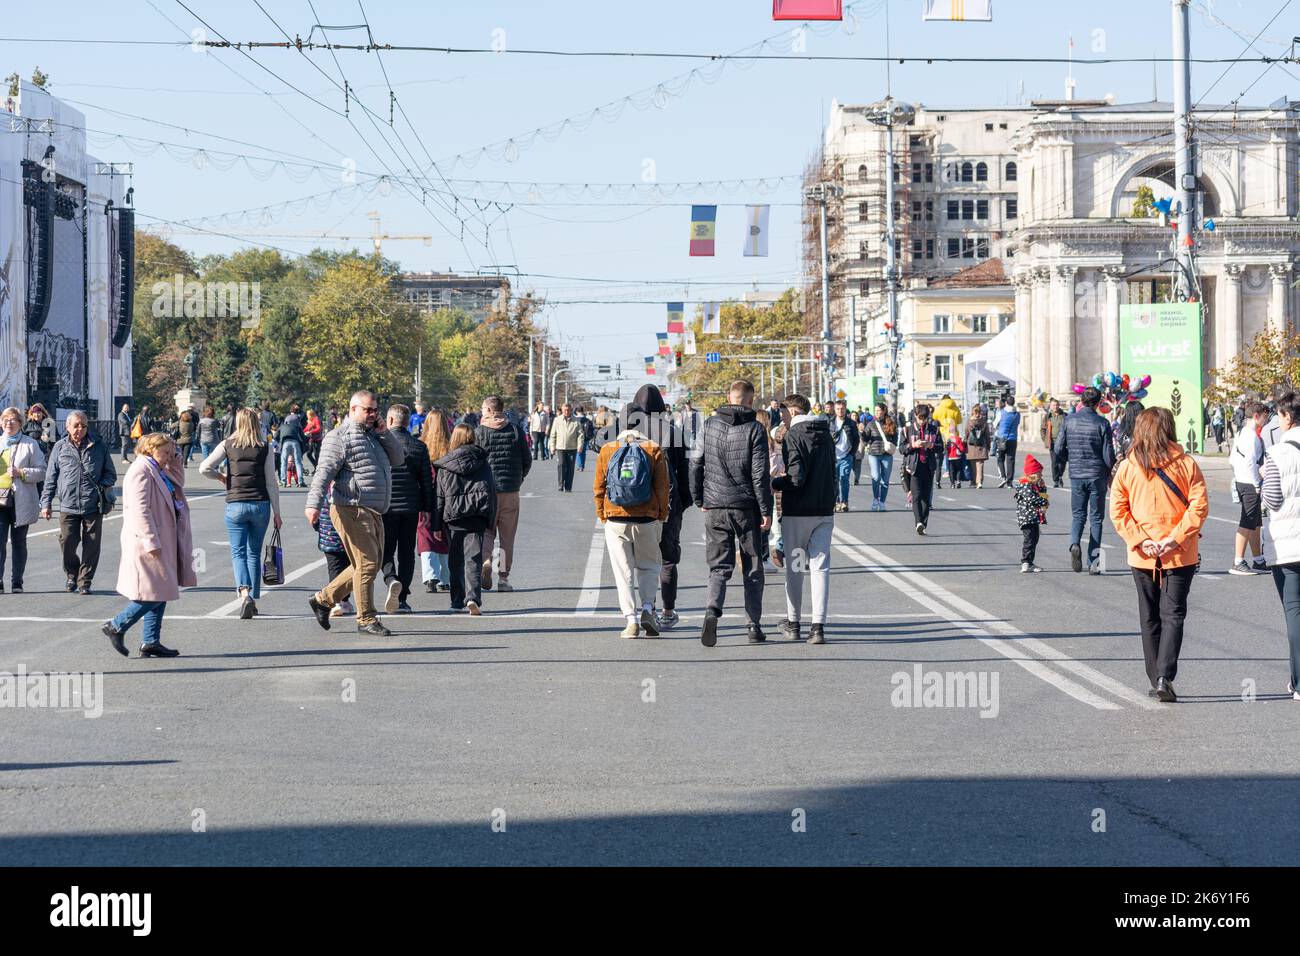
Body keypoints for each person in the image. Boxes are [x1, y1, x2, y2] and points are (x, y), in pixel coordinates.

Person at [1110, 407, 1208, 703]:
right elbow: (1199, 506)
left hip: (1142, 553)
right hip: (1180, 553)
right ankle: (1165, 676)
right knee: (1173, 614)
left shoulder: (1129, 466)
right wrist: (1174, 539)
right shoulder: (1186, 463)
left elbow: (1117, 509)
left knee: (1149, 616)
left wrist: (1141, 539)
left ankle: (1156, 678)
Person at [305, 390, 405, 637]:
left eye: (374, 410)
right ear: (353, 409)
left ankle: (323, 599)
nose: (372, 414)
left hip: (373, 509)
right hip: (350, 507)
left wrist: (385, 433)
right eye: (367, 410)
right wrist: (313, 504)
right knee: (368, 563)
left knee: (369, 564)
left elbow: (399, 458)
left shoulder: (374, 435)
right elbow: (323, 473)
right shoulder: (339, 437)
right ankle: (366, 618)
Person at [689, 379, 772, 648]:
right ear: (750, 400)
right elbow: (760, 475)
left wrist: (699, 497)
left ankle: (712, 610)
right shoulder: (755, 429)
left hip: (714, 506)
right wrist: (765, 509)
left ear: (728, 396)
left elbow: (695, 464)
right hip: (746, 507)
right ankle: (753, 626)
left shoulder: (708, 425)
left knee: (719, 566)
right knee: (752, 567)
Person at [101, 432, 195, 659]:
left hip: (163, 538)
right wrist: (150, 539)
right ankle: (117, 625)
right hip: (147, 540)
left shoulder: (157, 468)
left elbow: (178, 482)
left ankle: (150, 641)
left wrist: (175, 459)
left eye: (170, 453)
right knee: (154, 592)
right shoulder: (141, 470)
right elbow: (139, 509)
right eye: (164, 452)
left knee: (160, 588)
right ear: (150, 449)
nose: (167, 457)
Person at [593, 402, 670, 638]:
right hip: (647, 519)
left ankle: (630, 620)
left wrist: (602, 514)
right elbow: (662, 488)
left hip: (616, 518)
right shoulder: (653, 449)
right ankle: (648, 608)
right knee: (648, 567)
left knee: (622, 571)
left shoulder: (607, 450)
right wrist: (661, 516)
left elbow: (599, 487)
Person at [200, 407, 283, 620]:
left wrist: (220, 477)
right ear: (256, 423)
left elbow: (204, 467)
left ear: (237, 423)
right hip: (260, 504)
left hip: (235, 505)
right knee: (254, 553)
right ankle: (253, 599)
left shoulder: (227, 444)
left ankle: (244, 593)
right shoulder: (265, 446)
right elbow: (271, 482)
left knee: (238, 552)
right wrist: (277, 512)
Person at [772, 393, 835, 645]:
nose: (782, 419)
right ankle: (818, 627)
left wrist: (775, 482)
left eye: (784, 414)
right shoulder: (826, 433)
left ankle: (794, 622)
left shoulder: (794, 435)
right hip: (824, 511)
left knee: (796, 568)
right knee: (821, 568)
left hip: (798, 513)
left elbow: (795, 478)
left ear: (794, 412)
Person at [39, 410, 116, 594]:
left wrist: (100, 487)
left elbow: (110, 473)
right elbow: (51, 477)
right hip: (68, 504)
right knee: (67, 542)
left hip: (92, 504)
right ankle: (72, 573)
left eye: (83, 425)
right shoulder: (59, 447)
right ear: (67, 427)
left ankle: (84, 581)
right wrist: (46, 503)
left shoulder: (99, 446)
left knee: (92, 545)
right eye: (76, 425)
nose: (79, 429)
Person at [1259, 391, 1300, 701]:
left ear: (1287, 417)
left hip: (1288, 544)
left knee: (1294, 610)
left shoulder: (1276, 454)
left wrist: (1263, 480)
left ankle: (1298, 682)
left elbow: (1272, 499)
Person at [433, 424, 497, 616]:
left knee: (455, 561)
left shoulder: (445, 465)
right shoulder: (482, 461)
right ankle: (473, 598)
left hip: (454, 517)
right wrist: (490, 519)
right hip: (477, 515)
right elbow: (491, 491)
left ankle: (456, 599)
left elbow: (440, 497)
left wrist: (436, 524)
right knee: (474, 559)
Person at [1054, 386, 1117, 575]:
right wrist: (1110, 469)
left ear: (1081, 401)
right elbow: (1108, 454)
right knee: (1096, 518)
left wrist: (1070, 458)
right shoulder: (1102, 422)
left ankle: (1074, 543)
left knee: (1078, 515)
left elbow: (1058, 448)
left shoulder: (1069, 420)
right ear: (1099, 403)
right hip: (1097, 474)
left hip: (1077, 474)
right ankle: (1094, 562)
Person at [380, 404, 434, 615]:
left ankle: (391, 579)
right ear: (407, 421)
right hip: (411, 508)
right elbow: (426, 482)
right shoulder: (418, 446)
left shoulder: (381, 445)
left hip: (385, 507)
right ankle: (402, 598)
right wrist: (428, 509)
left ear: (391, 421)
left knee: (386, 550)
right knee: (407, 553)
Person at [476, 395, 532, 593]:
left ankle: (485, 561)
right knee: (507, 537)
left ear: (490, 411)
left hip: (486, 491)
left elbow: (474, 460)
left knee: (487, 532)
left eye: (483, 408)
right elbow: (527, 460)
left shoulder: (480, 432)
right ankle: (503, 578)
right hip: (510, 491)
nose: (481, 411)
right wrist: (518, 479)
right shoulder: (516, 431)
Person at [0, 407, 45, 593]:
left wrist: (21, 473)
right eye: (5, 419)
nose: (9, 423)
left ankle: (17, 581)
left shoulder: (30, 444)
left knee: (19, 542)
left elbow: (42, 470)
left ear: (20, 423)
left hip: (21, 501)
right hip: (0, 502)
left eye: (13, 420)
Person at [1229, 401, 1270, 575]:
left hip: (1242, 480)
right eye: (1265, 417)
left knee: (1255, 523)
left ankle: (1258, 559)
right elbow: (1251, 463)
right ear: (1256, 416)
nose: (1266, 420)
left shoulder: (1242, 433)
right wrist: (1256, 485)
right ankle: (1238, 561)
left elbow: (1231, 459)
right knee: (1247, 522)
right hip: (1250, 483)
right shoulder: (1252, 436)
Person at [418, 411, 452, 593]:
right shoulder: (451, 446)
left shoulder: (421, 445)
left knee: (426, 535)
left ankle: (430, 576)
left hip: (426, 496)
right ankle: (445, 578)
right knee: (445, 535)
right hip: (447, 497)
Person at [900, 403, 941, 535]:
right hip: (914, 467)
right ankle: (918, 522)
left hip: (928, 466)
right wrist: (913, 445)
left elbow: (941, 447)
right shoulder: (907, 430)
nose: (923, 421)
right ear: (915, 416)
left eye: (925, 418)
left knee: (926, 497)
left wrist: (931, 445)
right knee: (916, 495)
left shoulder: (934, 429)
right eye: (920, 418)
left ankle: (923, 522)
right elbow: (901, 449)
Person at [316, 485, 354, 618]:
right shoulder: (347, 486)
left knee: (334, 568)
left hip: (328, 535)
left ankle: (337, 602)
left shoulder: (323, 487)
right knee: (349, 567)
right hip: (347, 535)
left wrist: (318, 527)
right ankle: (343, 600)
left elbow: (316, 509)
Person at [1014, 454, 1050, 573]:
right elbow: (1031, 499)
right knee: (1029, 539)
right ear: (1033, 474)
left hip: (1032, 517)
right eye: (1040, 473)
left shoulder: (1035, 485)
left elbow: (1041, 495)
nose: (1041, 475)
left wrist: (1043, 488)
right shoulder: (1025, 484)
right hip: (1027, 518)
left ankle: (1029, 562)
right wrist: (1044, 501)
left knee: (1034, 539)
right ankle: (1025, 562)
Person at [829, 399, 859, 512]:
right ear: (835, 410)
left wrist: (851, 453)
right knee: (834, 480)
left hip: (846, 455)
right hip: (833, 457)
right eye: (838, 409)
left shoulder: (851, 423)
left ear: (845, 409)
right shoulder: (830, 422)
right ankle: (836, 502)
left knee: (844, 478)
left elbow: (856, 439)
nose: (840, 411)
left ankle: (844, 501)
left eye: (842, 409)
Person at [865, 403, 896, 511]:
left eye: (879, 410)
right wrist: (861, 432)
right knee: (876, 477)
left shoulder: (890, 423)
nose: (877, 412)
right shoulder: (870, 424)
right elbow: (865, 439)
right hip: (873, 454)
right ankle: (875, 499)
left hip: (887, 455)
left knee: (885, 480)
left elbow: (895, 437)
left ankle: (882, 502)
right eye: (876, 410)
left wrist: (891, 444)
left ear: (884, 411)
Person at [549, 403, 584, 492]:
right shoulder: (557, 420)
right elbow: (553, 434)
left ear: (571, 410)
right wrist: (552, 446)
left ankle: (568, 487)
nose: (566, 411)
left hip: (572, 447)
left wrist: (580, 445)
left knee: (570, 467)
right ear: (562, 410)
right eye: (564, 410)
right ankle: (560, 484)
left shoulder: (576, 421)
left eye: (568, 410)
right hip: (560, 447)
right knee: (561, 464)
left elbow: (580, 435)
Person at [993, 396, 1020, 487]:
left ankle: (1003, 477)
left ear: (1006, 403)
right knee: (1010, 460)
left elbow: (994, 424)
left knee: (1000, 458)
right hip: (1013, 439)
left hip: (1002, 438)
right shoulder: (1017, 414)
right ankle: (1010, 482)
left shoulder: (1002, 412)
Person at [1040, 398, 1067, 488]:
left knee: (1062, 461)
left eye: (1057, 405)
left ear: (1059, 405)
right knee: (1055, 462)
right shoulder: (1048, 416)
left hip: (1063, 442)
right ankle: (1056, 480)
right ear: (1050, 406)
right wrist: (1045, 439)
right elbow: (1043, 429)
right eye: (1053, 405)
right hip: (1052, 442)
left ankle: (1060, 475)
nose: (1055, 407)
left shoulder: (1065, 415)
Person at [278, 403, 306, 487]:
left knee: (284, 462)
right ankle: (301, 481)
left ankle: (283, 481)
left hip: (286, 440)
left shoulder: (287, 418)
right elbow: (300, 429)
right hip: (295, 440)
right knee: (298, 462)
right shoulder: (297, 418)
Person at [964, 403, 990, 489]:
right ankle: (979, 482)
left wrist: (964, 442)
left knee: (973, 464)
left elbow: (966, 433)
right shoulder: (984, 421)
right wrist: (988, 446)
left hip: (971, 445)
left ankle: (975, 481)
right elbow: (987, 435)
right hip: (981, 444)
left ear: (972, 412)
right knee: (980, 464)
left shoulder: (969, 422)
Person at [944, 424, 967, 489]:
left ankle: (952, 484)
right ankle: (958, 481)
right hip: (958, 457)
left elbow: (946, 449)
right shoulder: (958, 439)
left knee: (951, 470)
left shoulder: (948, 440)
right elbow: (962, 449)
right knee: (958, 470)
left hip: (950, 457)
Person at [575, 407, 595, 472]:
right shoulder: (587, 419)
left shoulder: (575, 420)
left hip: (577, 437)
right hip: (586, 437)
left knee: (578, 452)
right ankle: (582, 466)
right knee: (583, 452)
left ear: (577, 411)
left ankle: (579, 466)